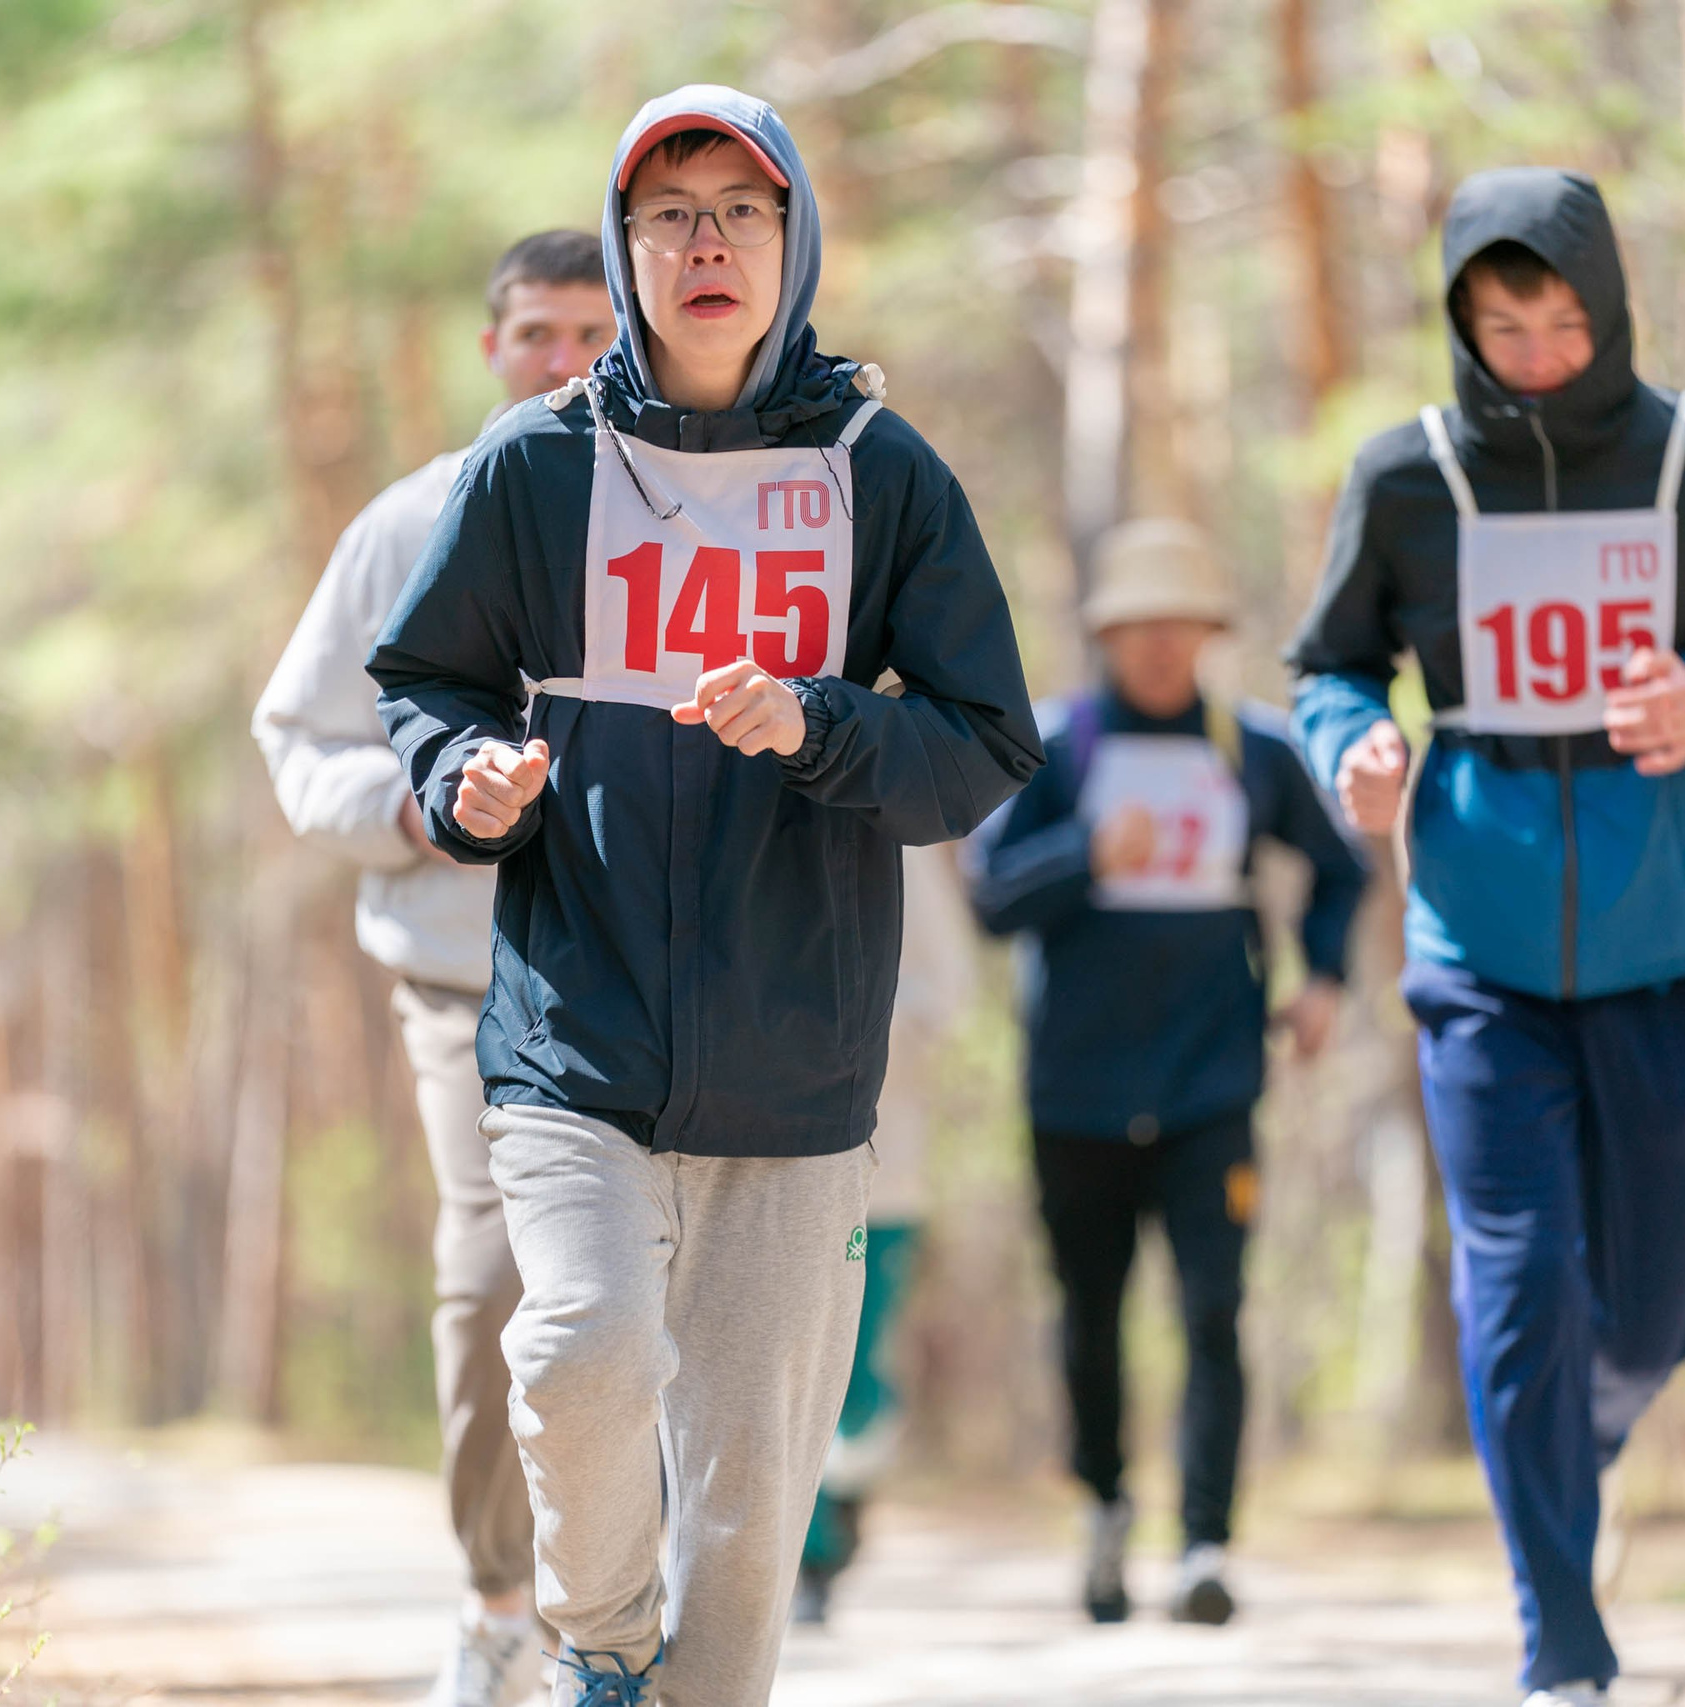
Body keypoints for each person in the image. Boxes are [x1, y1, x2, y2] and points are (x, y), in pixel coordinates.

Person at [367, 86, 1041, 1707]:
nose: (706, 242)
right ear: (627, 248)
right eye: (670, 214)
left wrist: (823, 721)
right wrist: (464, 775)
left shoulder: (883, 474)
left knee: (744, 1525)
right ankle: (595, 1643)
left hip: (796, 1058)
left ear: (794, 243)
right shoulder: (535, 465)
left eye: (741, 211)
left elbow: (984, 740)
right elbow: (424, 678)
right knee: (581, 1349)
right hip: (573, 1031)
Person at [1285, 168, 1685, 1707]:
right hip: (1478, 951)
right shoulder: (1406, 477)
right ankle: (1563, 1643)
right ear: (1461, 318)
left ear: (1610, 309)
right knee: (1517, 1278)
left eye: (1564, 317)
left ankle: (1586, 1432)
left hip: (1671, 942)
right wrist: (1355, 749)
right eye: (1502, 319)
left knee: (1650, 1305)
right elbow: (1328, 668)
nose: (1534, 347)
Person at [253, 228, 612, 1707]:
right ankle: (497, 1597)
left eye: (596, 332)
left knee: (641, 1305)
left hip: (647, 981)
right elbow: (298, 734)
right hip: (466, 983)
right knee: (491, 1284)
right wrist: (405, 812)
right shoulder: (408, 526)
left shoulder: (690, 523)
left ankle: (626, 1611)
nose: (568, 362)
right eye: (538, 334)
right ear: (492, 350)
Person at [969, 519, 1368, 1628]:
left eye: (1175, 626)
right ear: (1105, 635)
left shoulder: (1253, 750)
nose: (1156, 647)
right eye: (1135, 626)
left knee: (1211, 1312)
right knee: (1089, 1315)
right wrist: (1084, 855)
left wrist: (1323, 978)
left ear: (1204, 634)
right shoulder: (1055, 748)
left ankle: (1204, 1544)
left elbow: (1340, 868)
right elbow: (989, 896)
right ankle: (1103, 1512)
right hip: (1075, 1094)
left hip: (1210, 1088)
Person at [790, 840, 977, 1627]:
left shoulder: (904, 842)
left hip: (883, 1172)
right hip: (761, 1164)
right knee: (773, 1359)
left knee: (856, 1376)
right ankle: (808, 1552)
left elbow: (952, 995)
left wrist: (839, 1029)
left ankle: (847, 1492)